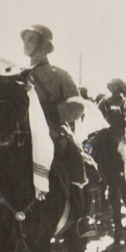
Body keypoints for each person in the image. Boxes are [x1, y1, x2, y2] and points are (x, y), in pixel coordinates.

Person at [20, 24, 95, 236]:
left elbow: (78, 106)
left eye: (31, 39)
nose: (25, 44)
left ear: (43, 45)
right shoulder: (17, 75)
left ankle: (82, 218)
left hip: (53, 133)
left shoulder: (61, 76)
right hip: (22, 133)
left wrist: (51, 112)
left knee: (76, 161)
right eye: (25, 39)